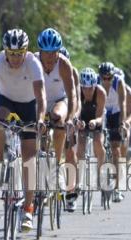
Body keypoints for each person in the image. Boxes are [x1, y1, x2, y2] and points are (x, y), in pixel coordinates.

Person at [0, 28, 46, 231]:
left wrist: (41, 119)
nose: (16, 59)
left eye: (20, 54)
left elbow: (41, 95)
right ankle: (0, 160)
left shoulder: (33, 63)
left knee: (29, 160)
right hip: (6, 101)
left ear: (26, 51)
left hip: (29, 105)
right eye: (12, 54)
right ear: (5, 51)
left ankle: (28, 208)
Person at [35, 28, 77, 209]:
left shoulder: (64, 65)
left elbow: (72, 95)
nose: (50, 57)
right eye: (46, 53)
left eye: (54, 52)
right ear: (40, 51)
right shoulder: (33, 61)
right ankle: (41, 160)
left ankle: (57, 162)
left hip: (60, 101)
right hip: (39, 101)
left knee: (58, 119)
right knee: (39, 130)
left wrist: (71, 118)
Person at [98, 61, 127, 202]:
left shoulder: (119, 83)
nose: (106, 81)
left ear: (113, 77)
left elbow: (123, 104)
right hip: (102, 113)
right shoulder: (96, 83)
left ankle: (116, 188)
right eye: (104, 78)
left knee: (116, 149)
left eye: (109, 78)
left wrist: (122, 123)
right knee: (99, 142)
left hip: (115, 113)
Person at [76, 67, 106, 197]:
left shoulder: (100, 93)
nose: (87, 91)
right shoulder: (77, 92)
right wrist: (77, 121)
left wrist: (95, 122)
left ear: (95, 85)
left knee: (98, 143)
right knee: (80, 148)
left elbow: (100, 116)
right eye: (84, 87)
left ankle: (100, 174)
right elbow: (76, 110)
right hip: (82, 117)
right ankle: (78, 181)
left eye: (90, 88)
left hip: (96, 118)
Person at [59, 46, 81, 211]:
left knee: (70, 152)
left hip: (68, 109)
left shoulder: (72, 73)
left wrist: (73, 118)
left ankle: (70, 192)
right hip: (52, 108)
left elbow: (77, 99)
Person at [114, 68, 131, 161]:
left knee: (124, 139)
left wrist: (126, 122)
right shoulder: (107, 88)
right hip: (111, 117)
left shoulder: (128, 92)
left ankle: (122, 161)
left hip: (124, 119)